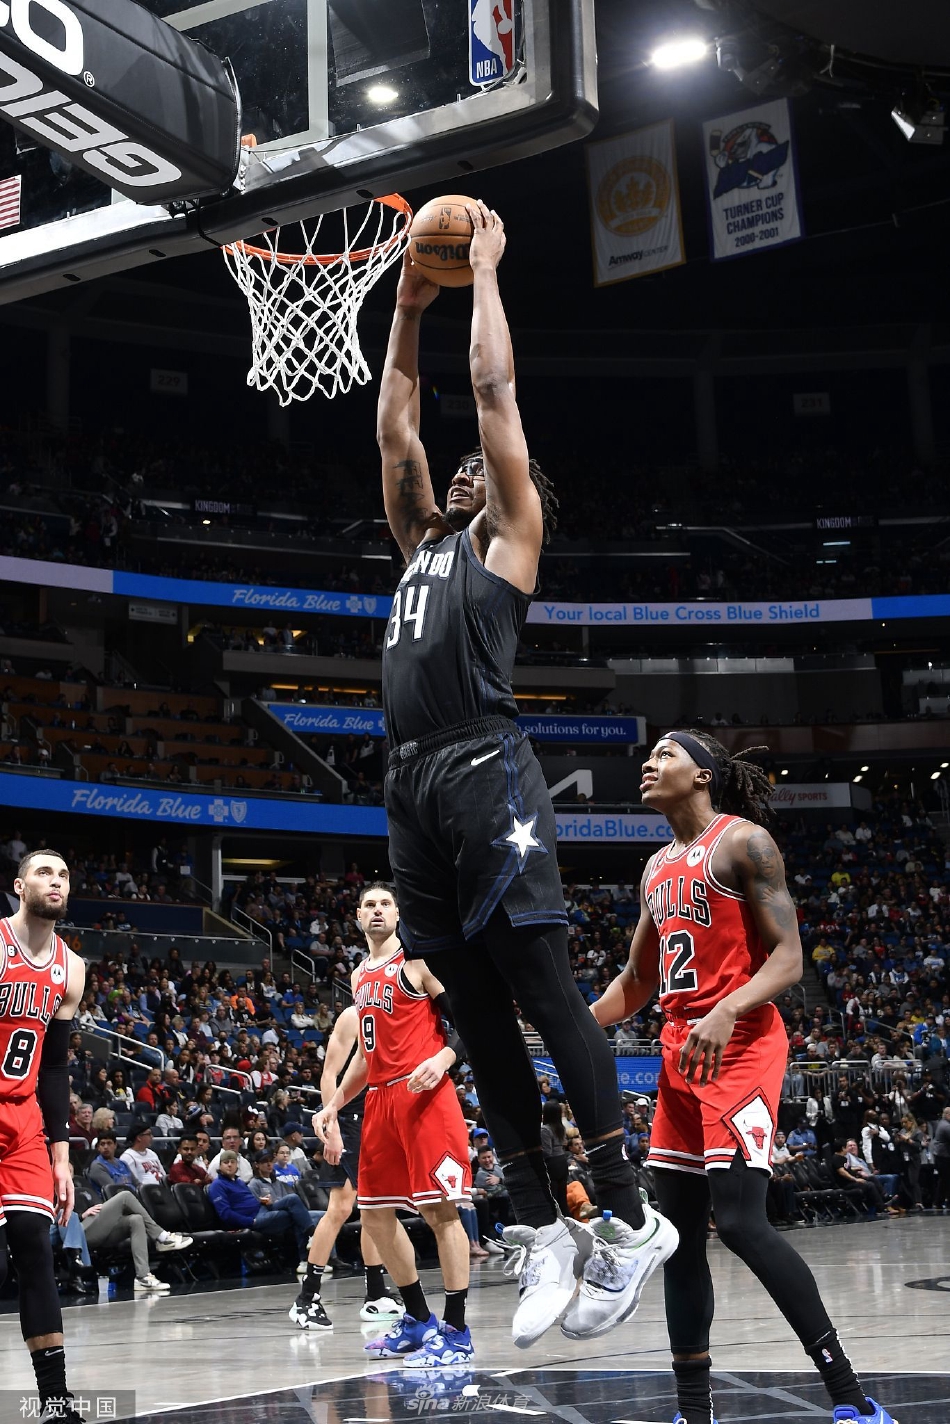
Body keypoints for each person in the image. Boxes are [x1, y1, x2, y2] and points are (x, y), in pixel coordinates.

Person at [375, 205, 668, 1349]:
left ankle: (630, 1214)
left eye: (480, 469)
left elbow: (490, 394)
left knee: (542, 992)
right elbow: (396, 426)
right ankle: (543, 1222)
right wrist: (407, 305)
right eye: (454, 468)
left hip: (483, 767)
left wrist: (485, 272)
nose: (460, 468)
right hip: (409, 782)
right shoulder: (419, 544)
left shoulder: (505, 540)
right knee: (476, 1014)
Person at [593, 729, 897, 1424]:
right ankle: (693, 1411)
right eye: (649, 755)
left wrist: (728, 1008)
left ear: (703, 774)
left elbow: (789, 958)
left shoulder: (744, 843)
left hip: (741, 1042)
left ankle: (851, 1399)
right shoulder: (655, 866)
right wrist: (571, 1026)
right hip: (679, 1050)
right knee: (677, 1238)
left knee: (739, 1222)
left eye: (665, 754)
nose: (648, 763)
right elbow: (636, 980)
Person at [315, 884, 473, 1366]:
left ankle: (457, 1331)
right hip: (380, 1100)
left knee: (441, 1213)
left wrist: (444, 1059)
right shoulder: (359, 975)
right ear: (358, 917)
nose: (378, 910)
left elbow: (470, 1022)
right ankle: (418, 1319)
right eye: (369, 905)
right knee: (375, 1214)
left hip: (424, 1096)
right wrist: (334, 1104)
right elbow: (367, 1057)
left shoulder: (419, 961)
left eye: (386, 903)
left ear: (399, 913)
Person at [0, 850, 87, 1423]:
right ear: (19, 885)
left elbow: (54, 1067)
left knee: (35, 1246)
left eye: (63, 875)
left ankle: (56, 1402)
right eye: (43, 873)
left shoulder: (71, 967)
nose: (55, 882)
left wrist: (62, 1154)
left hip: (24, 1117)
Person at [289, 1005, 404, 1332]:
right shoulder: (353, 1017)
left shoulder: (389, 1015)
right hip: (349, 1121)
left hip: (374, 1120)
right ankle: (307, 1298)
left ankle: (376, 1293)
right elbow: (328, 1074)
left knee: (369, 1209)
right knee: (344, 1209)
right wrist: (333, 1127)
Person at [207, 1149, 313, 1271]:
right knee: (295, 1214)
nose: (229, 1165)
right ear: (220, 1166)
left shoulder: (239, 1182)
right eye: (226, 1162)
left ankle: (307, 1252)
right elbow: (225, 1214)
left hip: (262, 1209)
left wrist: (261, 1201)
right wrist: (250, 1221)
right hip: (254, 1219)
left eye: (232, 1162)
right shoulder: (217, 1185)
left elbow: (247, 1202)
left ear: (237, 1165)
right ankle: (307, 1251)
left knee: (293, 1200)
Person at [79, 1191, 192, 1294]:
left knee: (136, 1220)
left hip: (93, 1228)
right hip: (78, 1232)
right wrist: (81, 1215)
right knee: (125, 1196)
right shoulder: (68, 1189)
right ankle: (162, 1237)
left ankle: (142, 1277)